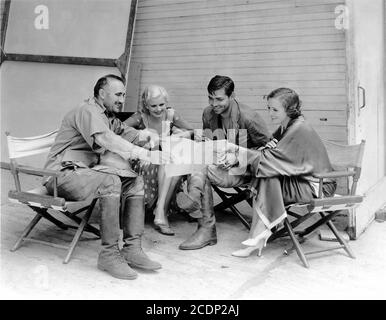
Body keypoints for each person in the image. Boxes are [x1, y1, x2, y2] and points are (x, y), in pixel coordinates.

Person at [43, 74, 165, 280]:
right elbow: (106, 138)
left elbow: (126, 132)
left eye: (123, 95)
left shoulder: (107, 116)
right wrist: (143, 153)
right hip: (61, 176)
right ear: (101, 93)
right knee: (110, 180)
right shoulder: (88, 110)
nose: (121, 99)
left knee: (135, 181)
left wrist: (148, 135)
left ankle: (132, 249)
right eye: (117, 94)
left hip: (84, 174)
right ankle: (108, 254)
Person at [219, 88, 337, 257]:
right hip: (303, 181)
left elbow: (270, 159)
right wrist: (238, 156)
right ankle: (261, 233)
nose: (270, 113)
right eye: (269, 108)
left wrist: (236, 150)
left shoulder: (299, 128)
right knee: (268, 174)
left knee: (268, 173)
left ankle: (260, 234)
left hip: (318, 185)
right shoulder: (285, 127)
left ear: (289, 110)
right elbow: (266, 152)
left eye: (275, 110)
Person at [176, 75, 271, 250]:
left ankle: (202, 218)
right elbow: (210, 143)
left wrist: (238, 157)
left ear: (232, 95)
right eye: (210, 98)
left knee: (201, 167)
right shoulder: (208, 113)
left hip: (247, 172)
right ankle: (196, 201)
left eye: (219, 99)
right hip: (221, 167)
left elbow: (270, 152)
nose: (213, 104)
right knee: (198, 160)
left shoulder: (249, 117)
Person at [124, 85, 194, 235]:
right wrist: (142, 134)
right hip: (145, 161)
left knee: (173, 163)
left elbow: (192, 131)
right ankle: (161, 212)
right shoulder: (140, 117)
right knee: (170, 163)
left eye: (161, 104)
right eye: (153, 106)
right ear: (146, 105)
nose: (158, 109)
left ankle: (160, 211)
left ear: (166, 102)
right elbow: (120, 130)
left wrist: (179, 135)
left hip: (166, 159)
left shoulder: (171, 115)